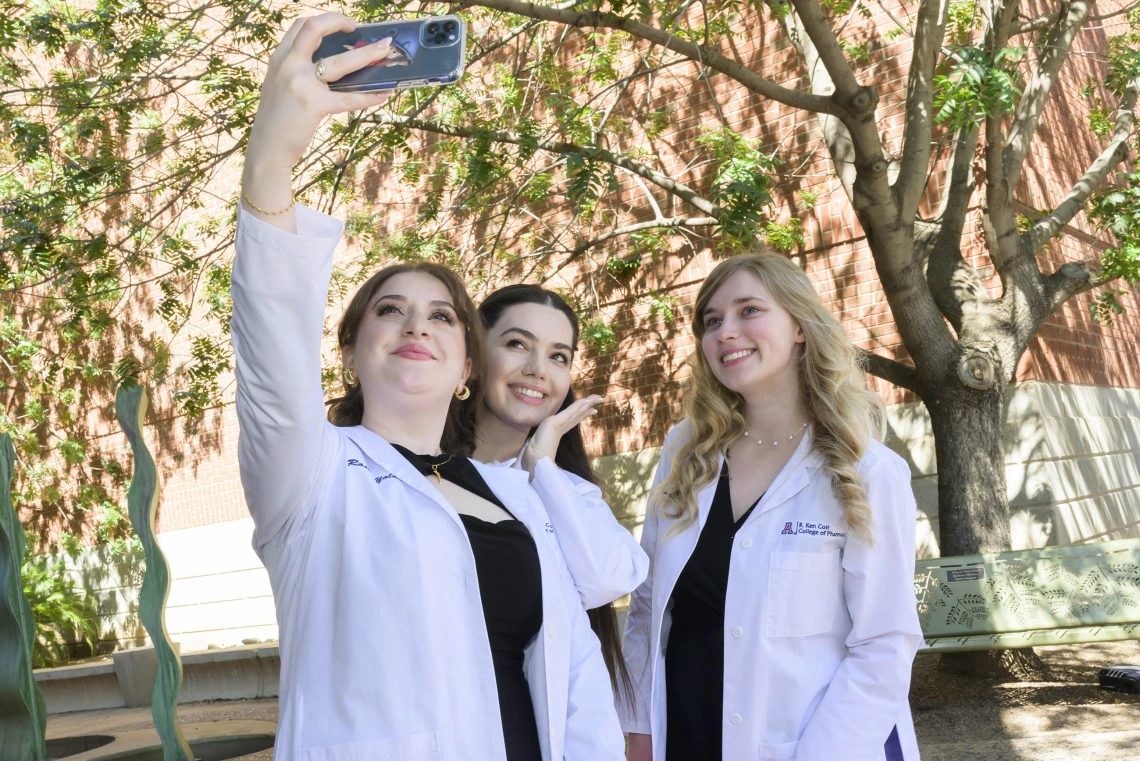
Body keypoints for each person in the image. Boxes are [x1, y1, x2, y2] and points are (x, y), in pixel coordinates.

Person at [232, 13, 624, 760]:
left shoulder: (510, 493)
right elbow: (268, 341)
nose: (417, 325)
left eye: (443, 315)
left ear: (467, 364)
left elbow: (576, 684)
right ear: (351, 350)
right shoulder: (313, 475)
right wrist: (273, 151)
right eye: (390, 310)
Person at [621, 253, 923, 761]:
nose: (725, 332)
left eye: (749, 311)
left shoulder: (866, 472)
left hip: (809, 743)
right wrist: (637, 726)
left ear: (800, 326)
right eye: (712, 321)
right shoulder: (685, 452)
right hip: (683, 732)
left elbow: (883, 645)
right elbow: (650, 607)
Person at [466, 284, 649, 698]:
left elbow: (606, 578)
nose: (538, 369)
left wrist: (540, 467)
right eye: (517, 344)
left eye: (558, 356)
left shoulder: (566, 491)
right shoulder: (421, 470)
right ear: (472, 356)